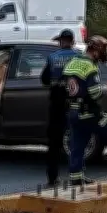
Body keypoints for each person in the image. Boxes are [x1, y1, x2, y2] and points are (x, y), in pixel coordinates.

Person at [63, 35, 107, 185]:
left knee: (78, 146)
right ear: (95, 51)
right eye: (103, 51)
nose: (104, 54)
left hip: (73, 112)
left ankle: (76, 179)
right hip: (89, 113)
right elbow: (95, 93)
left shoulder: (72, 62)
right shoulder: (90, 66)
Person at [40, 29, 78, 186]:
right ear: (73, 42)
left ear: (61, 41)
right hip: (74, 102)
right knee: (77, 139)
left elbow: (44, 79)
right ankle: (77, 176)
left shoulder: (52, 58)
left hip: (57, 104)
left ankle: (52, 177)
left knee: (54, 142)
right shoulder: (79, 57)